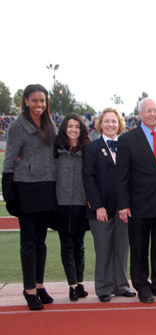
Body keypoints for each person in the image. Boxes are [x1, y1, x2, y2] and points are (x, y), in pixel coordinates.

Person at [116, 98, 156, 303]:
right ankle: (142, 285)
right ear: (140, 114)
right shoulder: (127, 140)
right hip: (138, 204)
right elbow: (121, 176)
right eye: (148, 111)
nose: (153, 114)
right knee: (139, 247)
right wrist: (123, 204)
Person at [2, 84, 57, 310]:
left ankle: (39, 284)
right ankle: (29, 289)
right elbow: (9, 159)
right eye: (34, 100)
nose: (39, 105)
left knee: (41, 241)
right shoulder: (17, 127)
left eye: (42, 101)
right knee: (28, 241)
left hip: (47, 187)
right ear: (26, 101)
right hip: (26, 188)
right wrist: (9, 192)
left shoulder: (49, 123)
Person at [83, 108, 135, 303]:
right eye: (107, 121)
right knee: (103, 248)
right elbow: (89, 179)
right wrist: (97, 206)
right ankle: (104, 287)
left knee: (122, 248)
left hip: (123, 207)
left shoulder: (126, 146)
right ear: (100, 124)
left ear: (119, 124)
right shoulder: (92, 148)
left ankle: (121, 285)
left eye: (114, 121)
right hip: (101, 209)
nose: (111, 125)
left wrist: (127, 204)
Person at [53, 114, 90, 301]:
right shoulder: (56, 150)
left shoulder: (87, 150)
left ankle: (80, 282)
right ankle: (72, 285)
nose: (73, 130)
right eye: (70, 126)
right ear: (64, 128)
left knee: (79, 245)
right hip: (62, 203)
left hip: (81, 204)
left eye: (77, 126)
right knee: (66, 245)